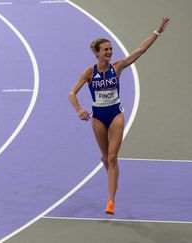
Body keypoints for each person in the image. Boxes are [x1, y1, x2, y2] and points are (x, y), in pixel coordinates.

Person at [68, 17, 170, 215]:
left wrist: (157, 32)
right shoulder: (89, 73)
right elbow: (71, 94)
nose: (109, 52)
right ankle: (111, 173)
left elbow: (140, 51)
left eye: (110, 49)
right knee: (106, 158)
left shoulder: (118, 67)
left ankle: (111, 201)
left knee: (113, 158)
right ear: (96, 53)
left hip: (115, 114)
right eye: (105, 50)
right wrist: (79, 109)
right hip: (98, 118)